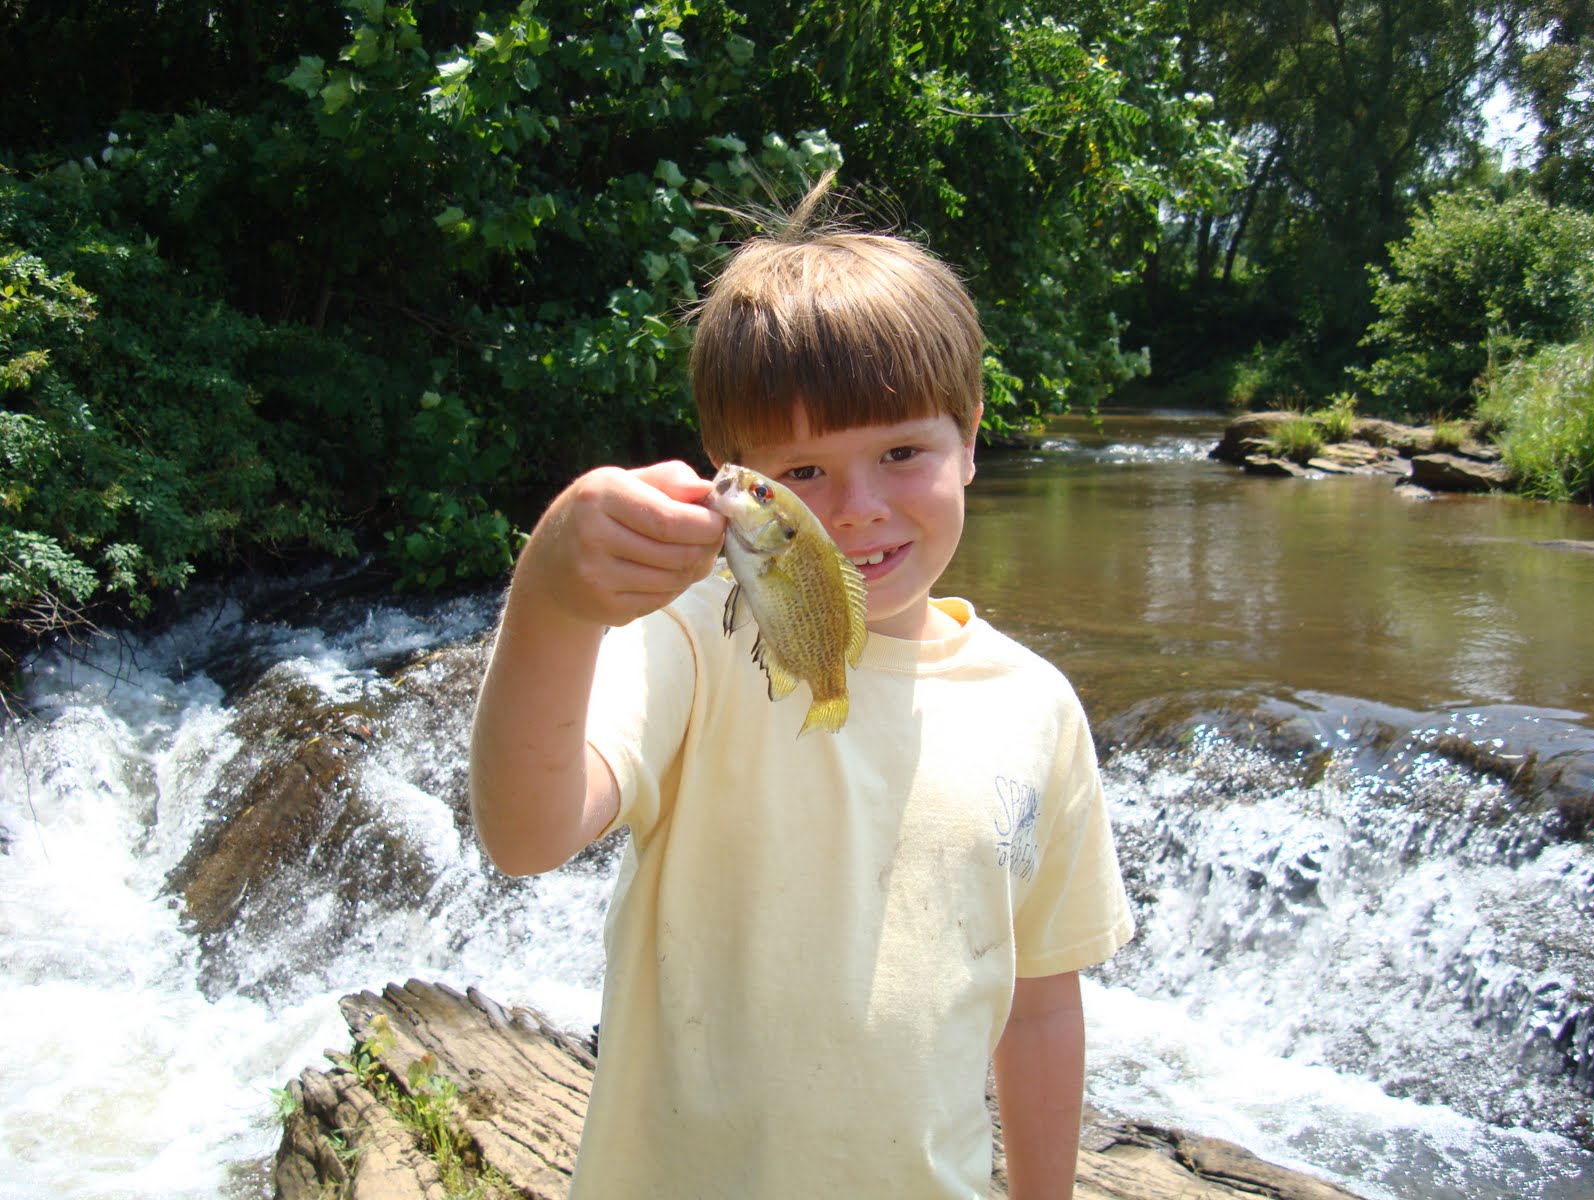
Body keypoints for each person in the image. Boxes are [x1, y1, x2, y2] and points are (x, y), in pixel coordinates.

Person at [469, 176, 1134, 1199]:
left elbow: (1040, 1000)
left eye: (902, 451)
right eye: (803, 475)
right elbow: (524, 835)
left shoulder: (1035, 707)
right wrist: (555, 598)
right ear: (729, 480)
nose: (858, 510)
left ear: (971, 435)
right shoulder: (690, 640)